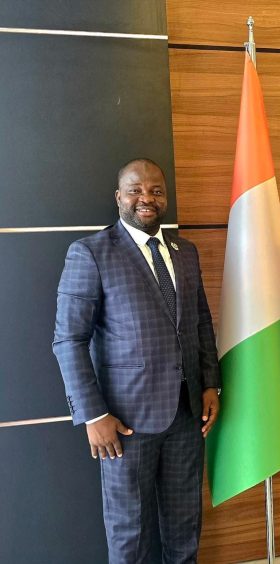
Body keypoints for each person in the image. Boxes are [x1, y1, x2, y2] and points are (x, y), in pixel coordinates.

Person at [53, 158, 220, 564]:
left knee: (185, 527)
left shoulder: (185, 252)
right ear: (119, 197)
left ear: (166, 198)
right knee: (130, 533)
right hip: (124, 422)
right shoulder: (91, 253)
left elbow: (200, 322)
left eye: (156, 191)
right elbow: (69, 340)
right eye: (135, 190)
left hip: (187, 415)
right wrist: (94, 415)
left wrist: (210, 383)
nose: (146, 198)